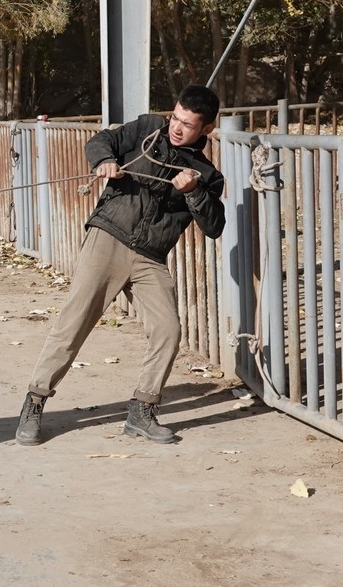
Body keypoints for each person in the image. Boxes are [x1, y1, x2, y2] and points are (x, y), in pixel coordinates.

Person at [15, 84, 225, 446]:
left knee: (168, 330)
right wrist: (104, 161)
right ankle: (34, 401)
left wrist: (193, 192)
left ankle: (142, 411)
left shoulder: (206, 175)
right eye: (175, 117)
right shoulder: (145, 129)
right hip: (109, 237)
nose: (176, 127)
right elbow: (101, 140)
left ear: (205, 130)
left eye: (188, 124)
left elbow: (214, 226)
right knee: (74, 322)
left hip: (150, 258)